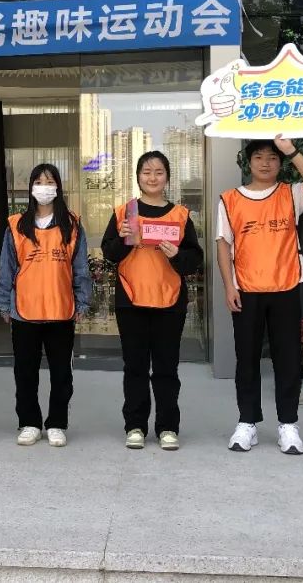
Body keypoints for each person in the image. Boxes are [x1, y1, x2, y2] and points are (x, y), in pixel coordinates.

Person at [216, 137, 303, 455]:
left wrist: (291, 149)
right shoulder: (229, 199)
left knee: (287, 358)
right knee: (246, 358)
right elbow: (223, 244)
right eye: (259, 157)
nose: (266, 163)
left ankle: (288, 424)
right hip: (246, 289)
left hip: (285, 286)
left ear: (281, 162)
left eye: (273, 157)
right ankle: (247, 422)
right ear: (248, 162)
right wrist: (229, 286)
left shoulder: (291, 194)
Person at [101, 152, 203, 450]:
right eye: (147, 172)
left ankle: (168, 427)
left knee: (166, 368)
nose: (153, 177)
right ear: (138, 176)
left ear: (167, 177)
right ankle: (135, 426)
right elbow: (110, 254)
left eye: (159, 172)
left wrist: (177, 255)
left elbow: (194, 259)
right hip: (131, 300)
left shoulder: (180, 215)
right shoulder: (125, 213)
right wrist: (123, 239)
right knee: (134, 367)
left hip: (169, 301)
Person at [0, 164, 91, 448]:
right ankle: (29, 422)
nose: (44, 187)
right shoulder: (16, 225)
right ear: (31, 188)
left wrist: (82, 301)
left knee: (62, 374)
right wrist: (4, 304)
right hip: (25, 311)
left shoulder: (72, 225)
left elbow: (80, 268)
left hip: (61, 311)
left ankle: (57, 423)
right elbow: (6, 268)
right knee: (25, 372)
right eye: (38, 181)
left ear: (58, 187)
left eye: (49, 182)